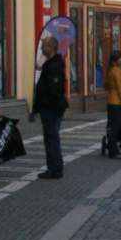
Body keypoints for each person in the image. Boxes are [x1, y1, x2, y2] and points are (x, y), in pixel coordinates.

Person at [32, 35, 67, 179]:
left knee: (51, 139)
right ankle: (53, 168)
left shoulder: (54, 66)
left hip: (51, 108)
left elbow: (54, 90)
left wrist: (44, 105)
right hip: (50, 107)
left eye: (43, 46)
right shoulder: (51, 63)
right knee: (51, 138)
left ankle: (55, 169)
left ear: (50, 48)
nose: (41, 49)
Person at [103, 49, 121, 158]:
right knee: (115, 127)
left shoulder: (110, 69)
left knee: (111, 125)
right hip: (117, 102)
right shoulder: (117, 70)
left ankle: (111, 146)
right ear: (117, 59)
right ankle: (113, 150)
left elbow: (106, 85)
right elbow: (120, 89)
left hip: (110, 101)